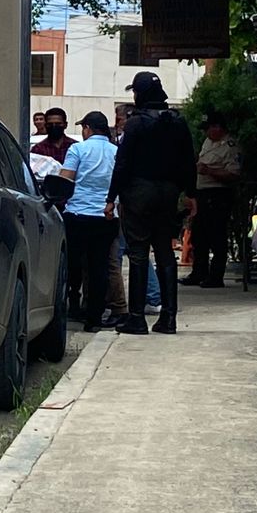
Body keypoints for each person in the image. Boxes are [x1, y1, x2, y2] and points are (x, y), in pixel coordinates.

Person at [106, 71, 197, 335]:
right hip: (168, 193)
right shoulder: (178, 122)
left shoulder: (136, 124)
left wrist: (111, 198)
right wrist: (190, 194)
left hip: (139, 193)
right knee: (166, 253)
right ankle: (169, 318)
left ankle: (136, 318)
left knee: (138, 254)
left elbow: (122, 164)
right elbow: (188, 161)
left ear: (140, 93)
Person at [59, 112, 120, 332]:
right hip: (106, 217)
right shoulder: (117, 152)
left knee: (71, 265)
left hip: (77, 215)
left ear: (87, 128)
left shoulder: (77, 149)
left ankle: (70, 307)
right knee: (99, 268)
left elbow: (65, 179)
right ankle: (94, 319)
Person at [104, 103, 158, 325]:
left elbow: (121, 169)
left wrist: (111, 199)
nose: (118, 123)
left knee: (123, 254)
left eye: (120, 119)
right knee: (137, 252)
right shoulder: (126, 139)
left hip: (129, 203)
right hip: (132, 201)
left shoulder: (131, 139)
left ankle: (135, 303)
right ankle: (153, 296)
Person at [186, 111, 242, 288]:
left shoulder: (230, 146)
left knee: (217, 237)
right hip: (202, 193)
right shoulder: (209, 142)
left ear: (218, 128)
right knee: (199, 236)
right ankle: (199, 272)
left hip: (218, 195)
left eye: (209, 128)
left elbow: (234, 173)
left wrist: (210, 171)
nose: (206, 133)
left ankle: (216, 276)